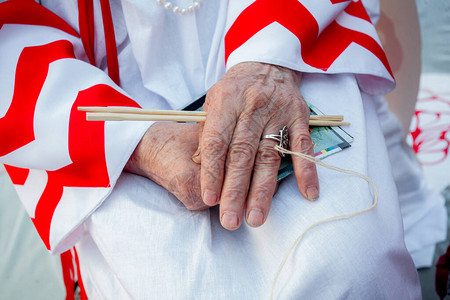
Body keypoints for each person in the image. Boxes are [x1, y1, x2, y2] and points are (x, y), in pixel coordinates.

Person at [0, 0, 422, 298]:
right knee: (172, 281)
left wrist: (267, 62)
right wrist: (136, 143)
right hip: (89, 89)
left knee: (349, 262)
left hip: (283, 37)